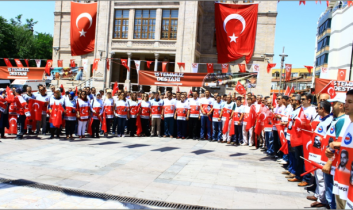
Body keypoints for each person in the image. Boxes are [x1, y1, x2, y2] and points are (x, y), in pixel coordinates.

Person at [308, 100, 333, 208]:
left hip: (322, 153)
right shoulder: (322, 120)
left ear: (323, 109)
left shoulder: (329, 121)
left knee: (321, 177)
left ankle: (322, 199)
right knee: (318, 177)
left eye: (318, 108)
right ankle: (318, 194)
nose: (316, 110)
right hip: (316, 152)